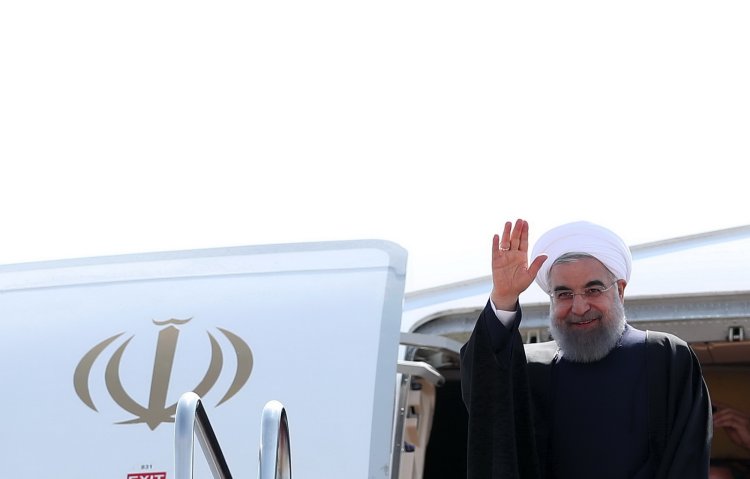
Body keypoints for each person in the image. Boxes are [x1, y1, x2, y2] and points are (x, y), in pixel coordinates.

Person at [460, 219, 712, 479]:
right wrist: (503, 298)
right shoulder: (533, 367)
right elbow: (484, 394)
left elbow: (688, 461)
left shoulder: (666, 358)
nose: (579, 308)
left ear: (620, 290)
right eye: (564, 294)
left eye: (593, 290)